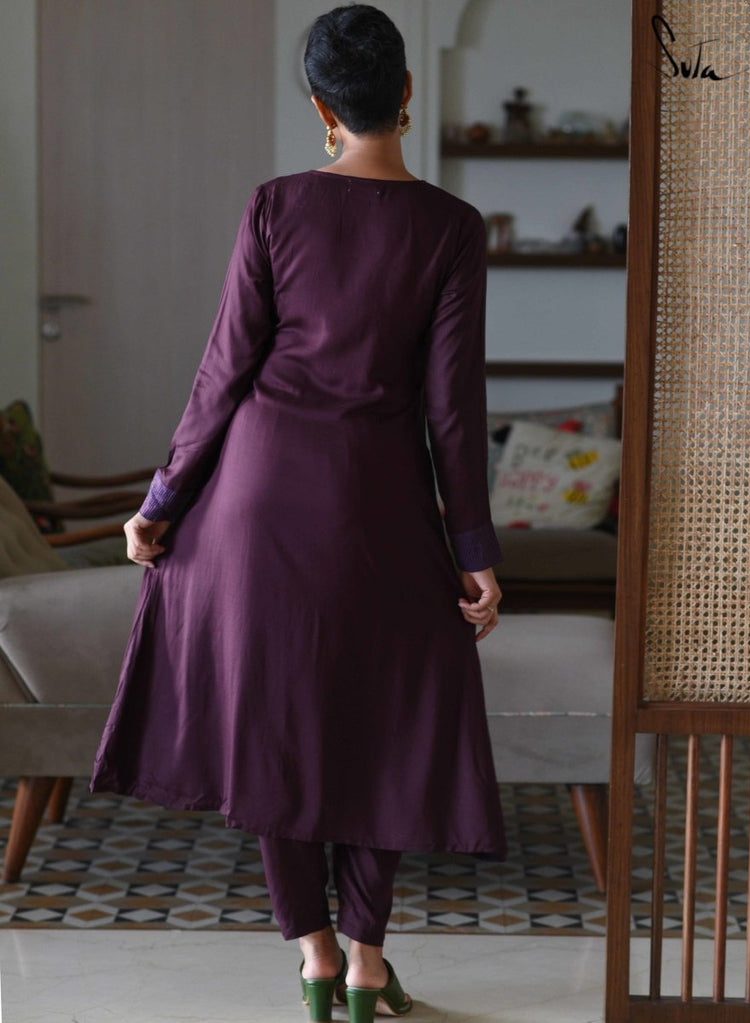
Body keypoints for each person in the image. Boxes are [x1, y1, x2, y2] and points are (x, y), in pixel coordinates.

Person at [89, 4, 506, 1021]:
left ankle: (315, 957)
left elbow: (223, 370)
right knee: (384, 720)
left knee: (272, 721)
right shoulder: (452, 227)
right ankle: (366, 962)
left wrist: (161, 500)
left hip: (256, 500)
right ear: (406, 93)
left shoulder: (275, 205)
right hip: (380, 505)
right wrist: (473, 549)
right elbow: (453, 408)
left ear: (321, 107)